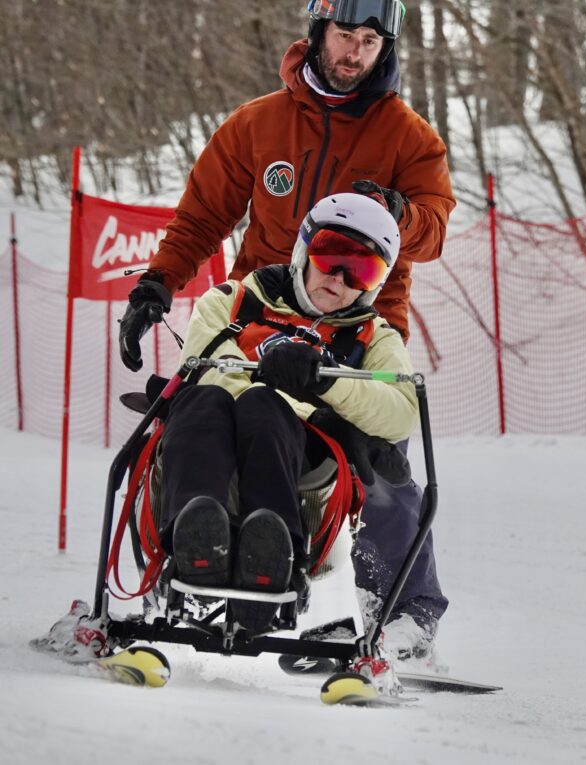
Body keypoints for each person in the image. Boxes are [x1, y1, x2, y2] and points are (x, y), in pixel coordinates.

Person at [117, 0, 452, 659]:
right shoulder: (258, 124)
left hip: (357, 325)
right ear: (316, 31)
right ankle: (187, 567)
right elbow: (201, 216)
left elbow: (436, 226)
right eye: (344, 36)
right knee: (198, 420)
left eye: (369, 42)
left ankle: (404, 616)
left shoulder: (409, 137)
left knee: (381, 464)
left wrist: (400, 213)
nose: (355, 53)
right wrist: (156, 283)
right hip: (259, 313)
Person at [162, 193, 415, 636]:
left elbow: (401, 412)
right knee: (202, 399)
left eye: (361, 269)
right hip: (211, 435)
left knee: (264, 408)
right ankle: (192, 546)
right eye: (329, 255)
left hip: (298, 462)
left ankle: (274, 558)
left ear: (375, 283)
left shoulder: (372, 336)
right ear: (303, 249)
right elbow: (207, 365)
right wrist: (305, 404)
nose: (338, 278)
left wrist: (326, 384)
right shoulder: (234, 300)